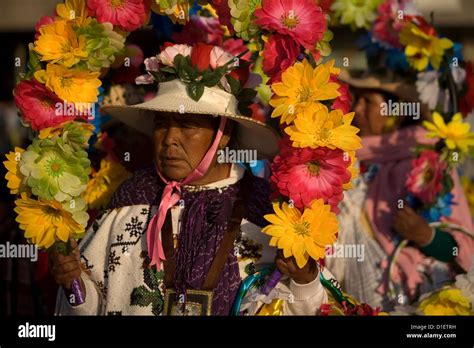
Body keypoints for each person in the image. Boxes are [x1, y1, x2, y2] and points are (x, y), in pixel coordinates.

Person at [51, 53, 335, 315]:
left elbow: (304, 304)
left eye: (187, 126)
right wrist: (72, 282)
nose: (170, 139)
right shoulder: (132, 200)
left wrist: (303, 281)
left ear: (224, 135)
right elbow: (93, 302)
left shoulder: (267, 213)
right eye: (162, 124)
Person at [325, 70, 474, 310]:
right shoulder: (348, 161)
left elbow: (462, 247)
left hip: (423, 300)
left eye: (369, 102)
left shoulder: (430, 162)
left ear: (396, 114)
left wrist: (426, 236)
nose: (358, 109)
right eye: (357, 99)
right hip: (362, 298)